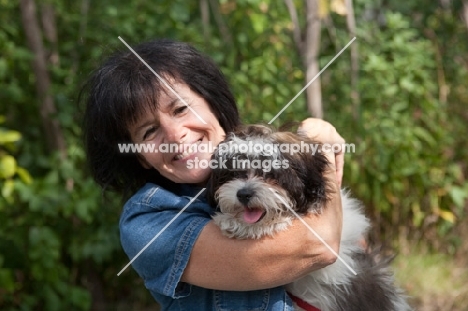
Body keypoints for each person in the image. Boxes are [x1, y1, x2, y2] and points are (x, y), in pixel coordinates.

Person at [82, 39, 345, 310]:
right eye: (149, 132)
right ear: (140, 157)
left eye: (181, 109)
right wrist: (319, 149)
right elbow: (318, 245)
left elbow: (358, 250)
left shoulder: (279, 154)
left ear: (213, 104)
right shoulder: (148, 223)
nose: (175, 135)